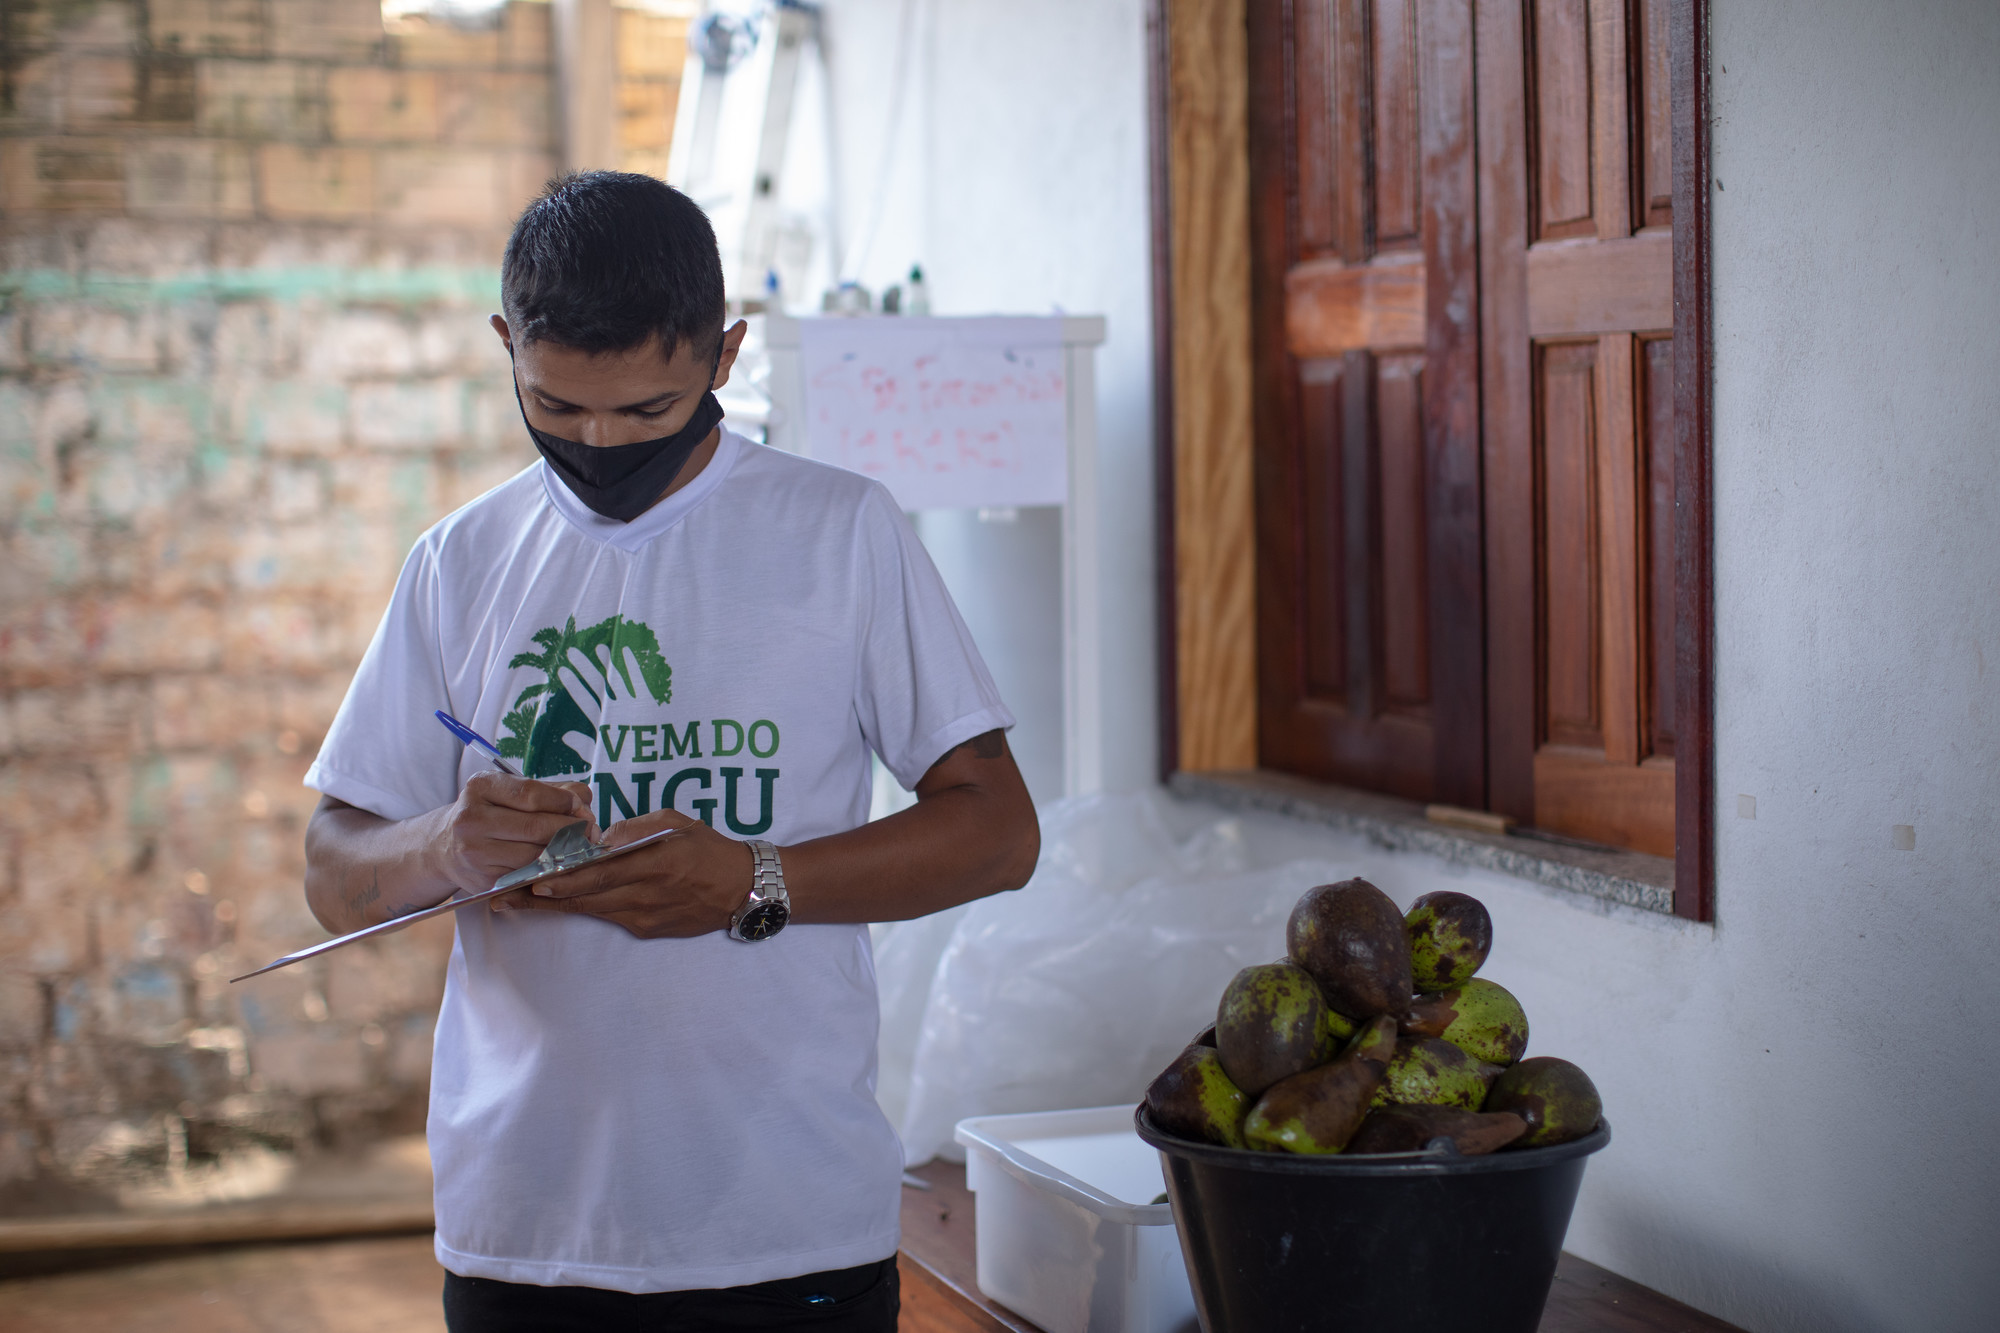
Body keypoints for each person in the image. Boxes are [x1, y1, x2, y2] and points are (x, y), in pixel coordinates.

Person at [299, 172, 1040, 1332]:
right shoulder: (459, 563)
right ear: (506, 345)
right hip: (527, 1231)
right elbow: (333, 871)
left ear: (725, 353)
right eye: (556, 407)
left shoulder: (838, 532)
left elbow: (998, 833)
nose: (599, 443)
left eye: (647, 411)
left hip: (783, 1219)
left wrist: (755, 877)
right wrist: (443, 840)